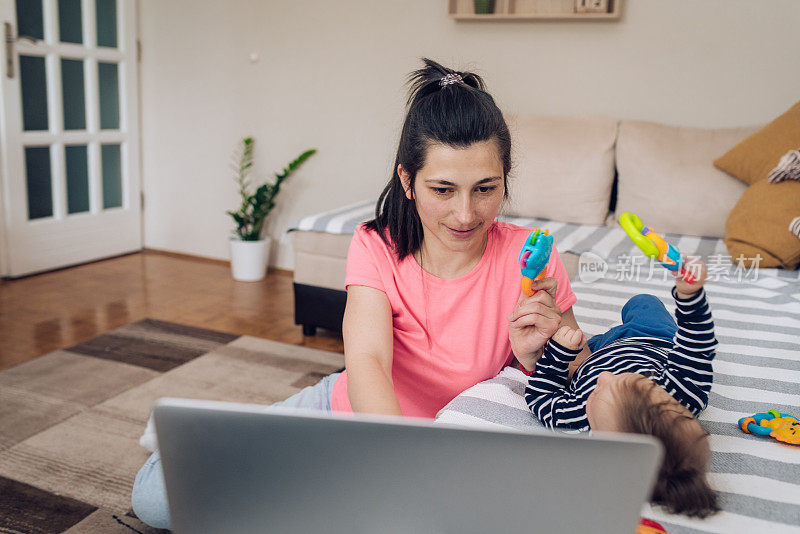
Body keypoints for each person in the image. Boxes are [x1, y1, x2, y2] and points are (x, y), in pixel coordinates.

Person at [131, 58, 588, 528]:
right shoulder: (375, 245)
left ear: (504, 179)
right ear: (407, 181)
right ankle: (187, 447)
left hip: (460, 439)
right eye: (443, 189)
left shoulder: (533, 259)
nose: (466, 213)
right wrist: (398, 465)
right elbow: (367, 360)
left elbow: (579, 373)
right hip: (355, 415)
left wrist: (541, 355)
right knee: (155, 500)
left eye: (486, 188)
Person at [525, 260, 720, 518]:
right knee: (643, 302)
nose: (605, 377)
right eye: (633, 379)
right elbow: (697, 342)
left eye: (595, 393)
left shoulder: (572, 418)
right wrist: (690, 295)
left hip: (596, 350)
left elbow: (539, 396)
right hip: (651, 337)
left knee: (562, 335)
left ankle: (593, 339)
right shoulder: (684, 392)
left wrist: (558, 354)